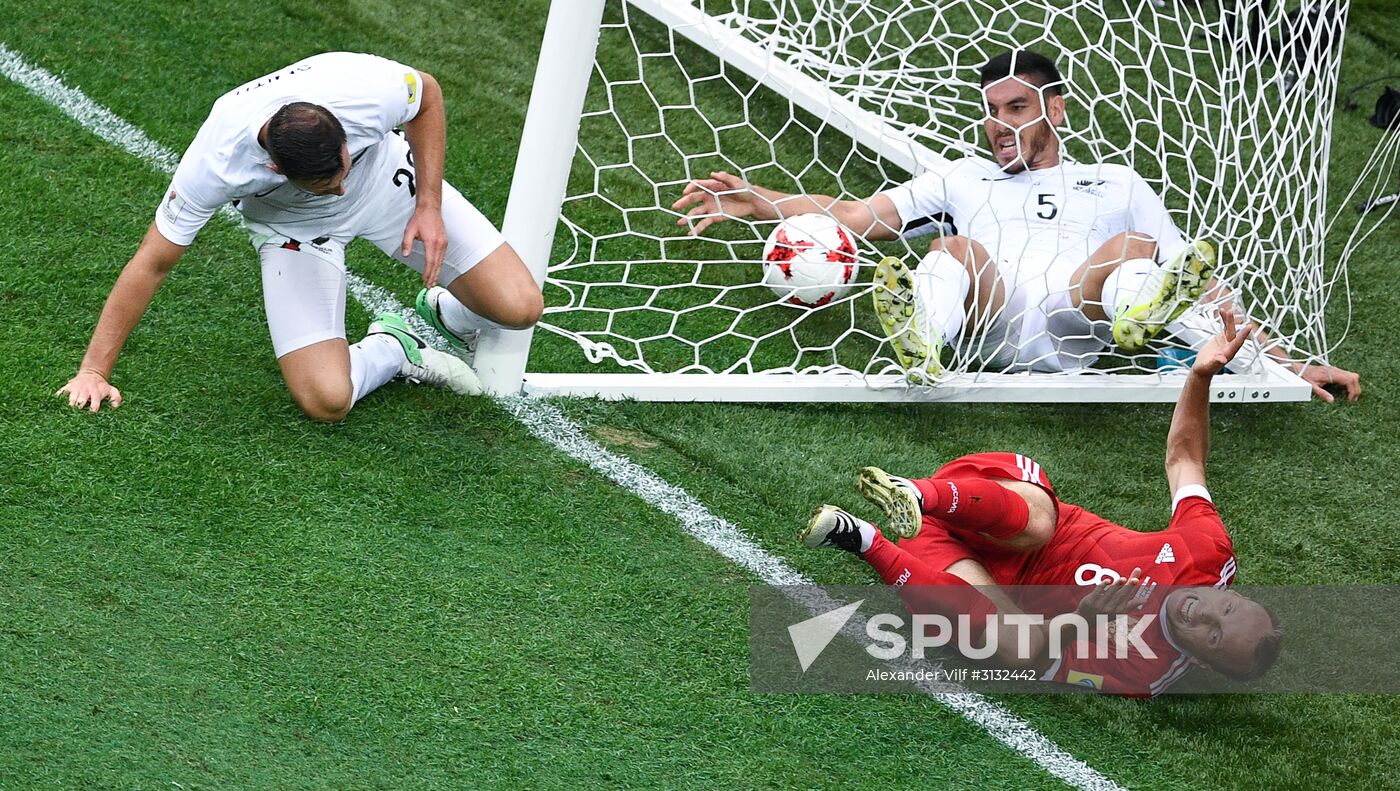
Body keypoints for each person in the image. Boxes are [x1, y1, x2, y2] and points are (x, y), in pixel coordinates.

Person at [672, 49, 1359, 400]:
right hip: (989, 319)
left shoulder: (1117, 182)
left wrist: (1290, 368)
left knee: (1139, 251)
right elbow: (855, 218)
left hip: (1077, 321)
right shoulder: (961, 176)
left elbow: (1204, 288)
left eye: (1015, 107)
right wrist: (758, 201)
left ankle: (1138, 314)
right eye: (990, 109)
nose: (998, 122)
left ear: (1055, 111)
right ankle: (923, 339)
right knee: (953, 246)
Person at [799, 314, 1281, 696]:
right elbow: (1185, 459)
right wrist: (1200, 375)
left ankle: (861, 538)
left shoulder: (1143, 671)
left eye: (1214, 636)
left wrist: (1079, 621)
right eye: (1227, 609)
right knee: (1041, 524)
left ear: (1198, 660)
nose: (1206, 613)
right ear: (1232, 593)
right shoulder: (1208, 553)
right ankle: (917, 492)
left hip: (961, 567)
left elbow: (1030, 661)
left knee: (1016, 642)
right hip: (996, 503)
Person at [56, 52, 543, 422]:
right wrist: (93, 371)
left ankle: (444, 314)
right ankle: (395, 346)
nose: (340, 188)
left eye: (340, 170)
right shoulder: (214, 163)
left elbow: (428, 95)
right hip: (295, 229)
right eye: (327, 185)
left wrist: (429, 206)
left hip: (386, 178)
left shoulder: (361, 91)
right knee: (326, 400)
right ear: (274, 169)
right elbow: (152, 262)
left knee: (519, 308)